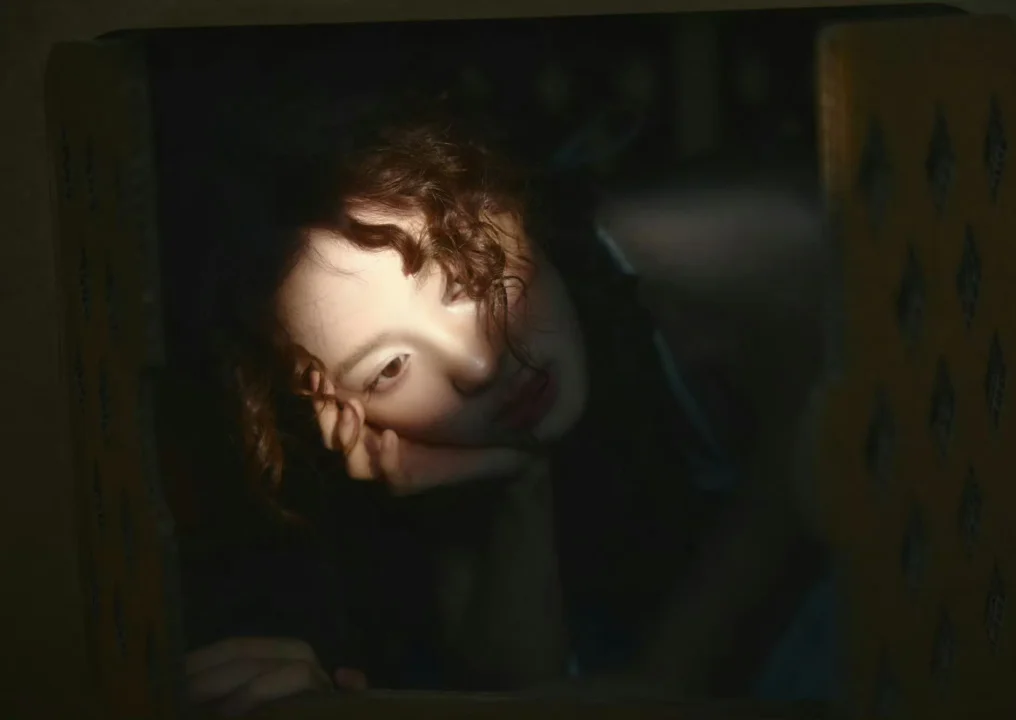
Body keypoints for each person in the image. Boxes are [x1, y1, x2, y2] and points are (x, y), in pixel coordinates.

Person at [179, 95, 837, 717]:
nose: (477, 363)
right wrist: (518, 483)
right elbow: (524, 684)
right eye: (390, 368)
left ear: (505, 199)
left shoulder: (744, 255)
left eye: (465, 273)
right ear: (335, 415)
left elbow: (664, 693)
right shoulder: (439, 460)